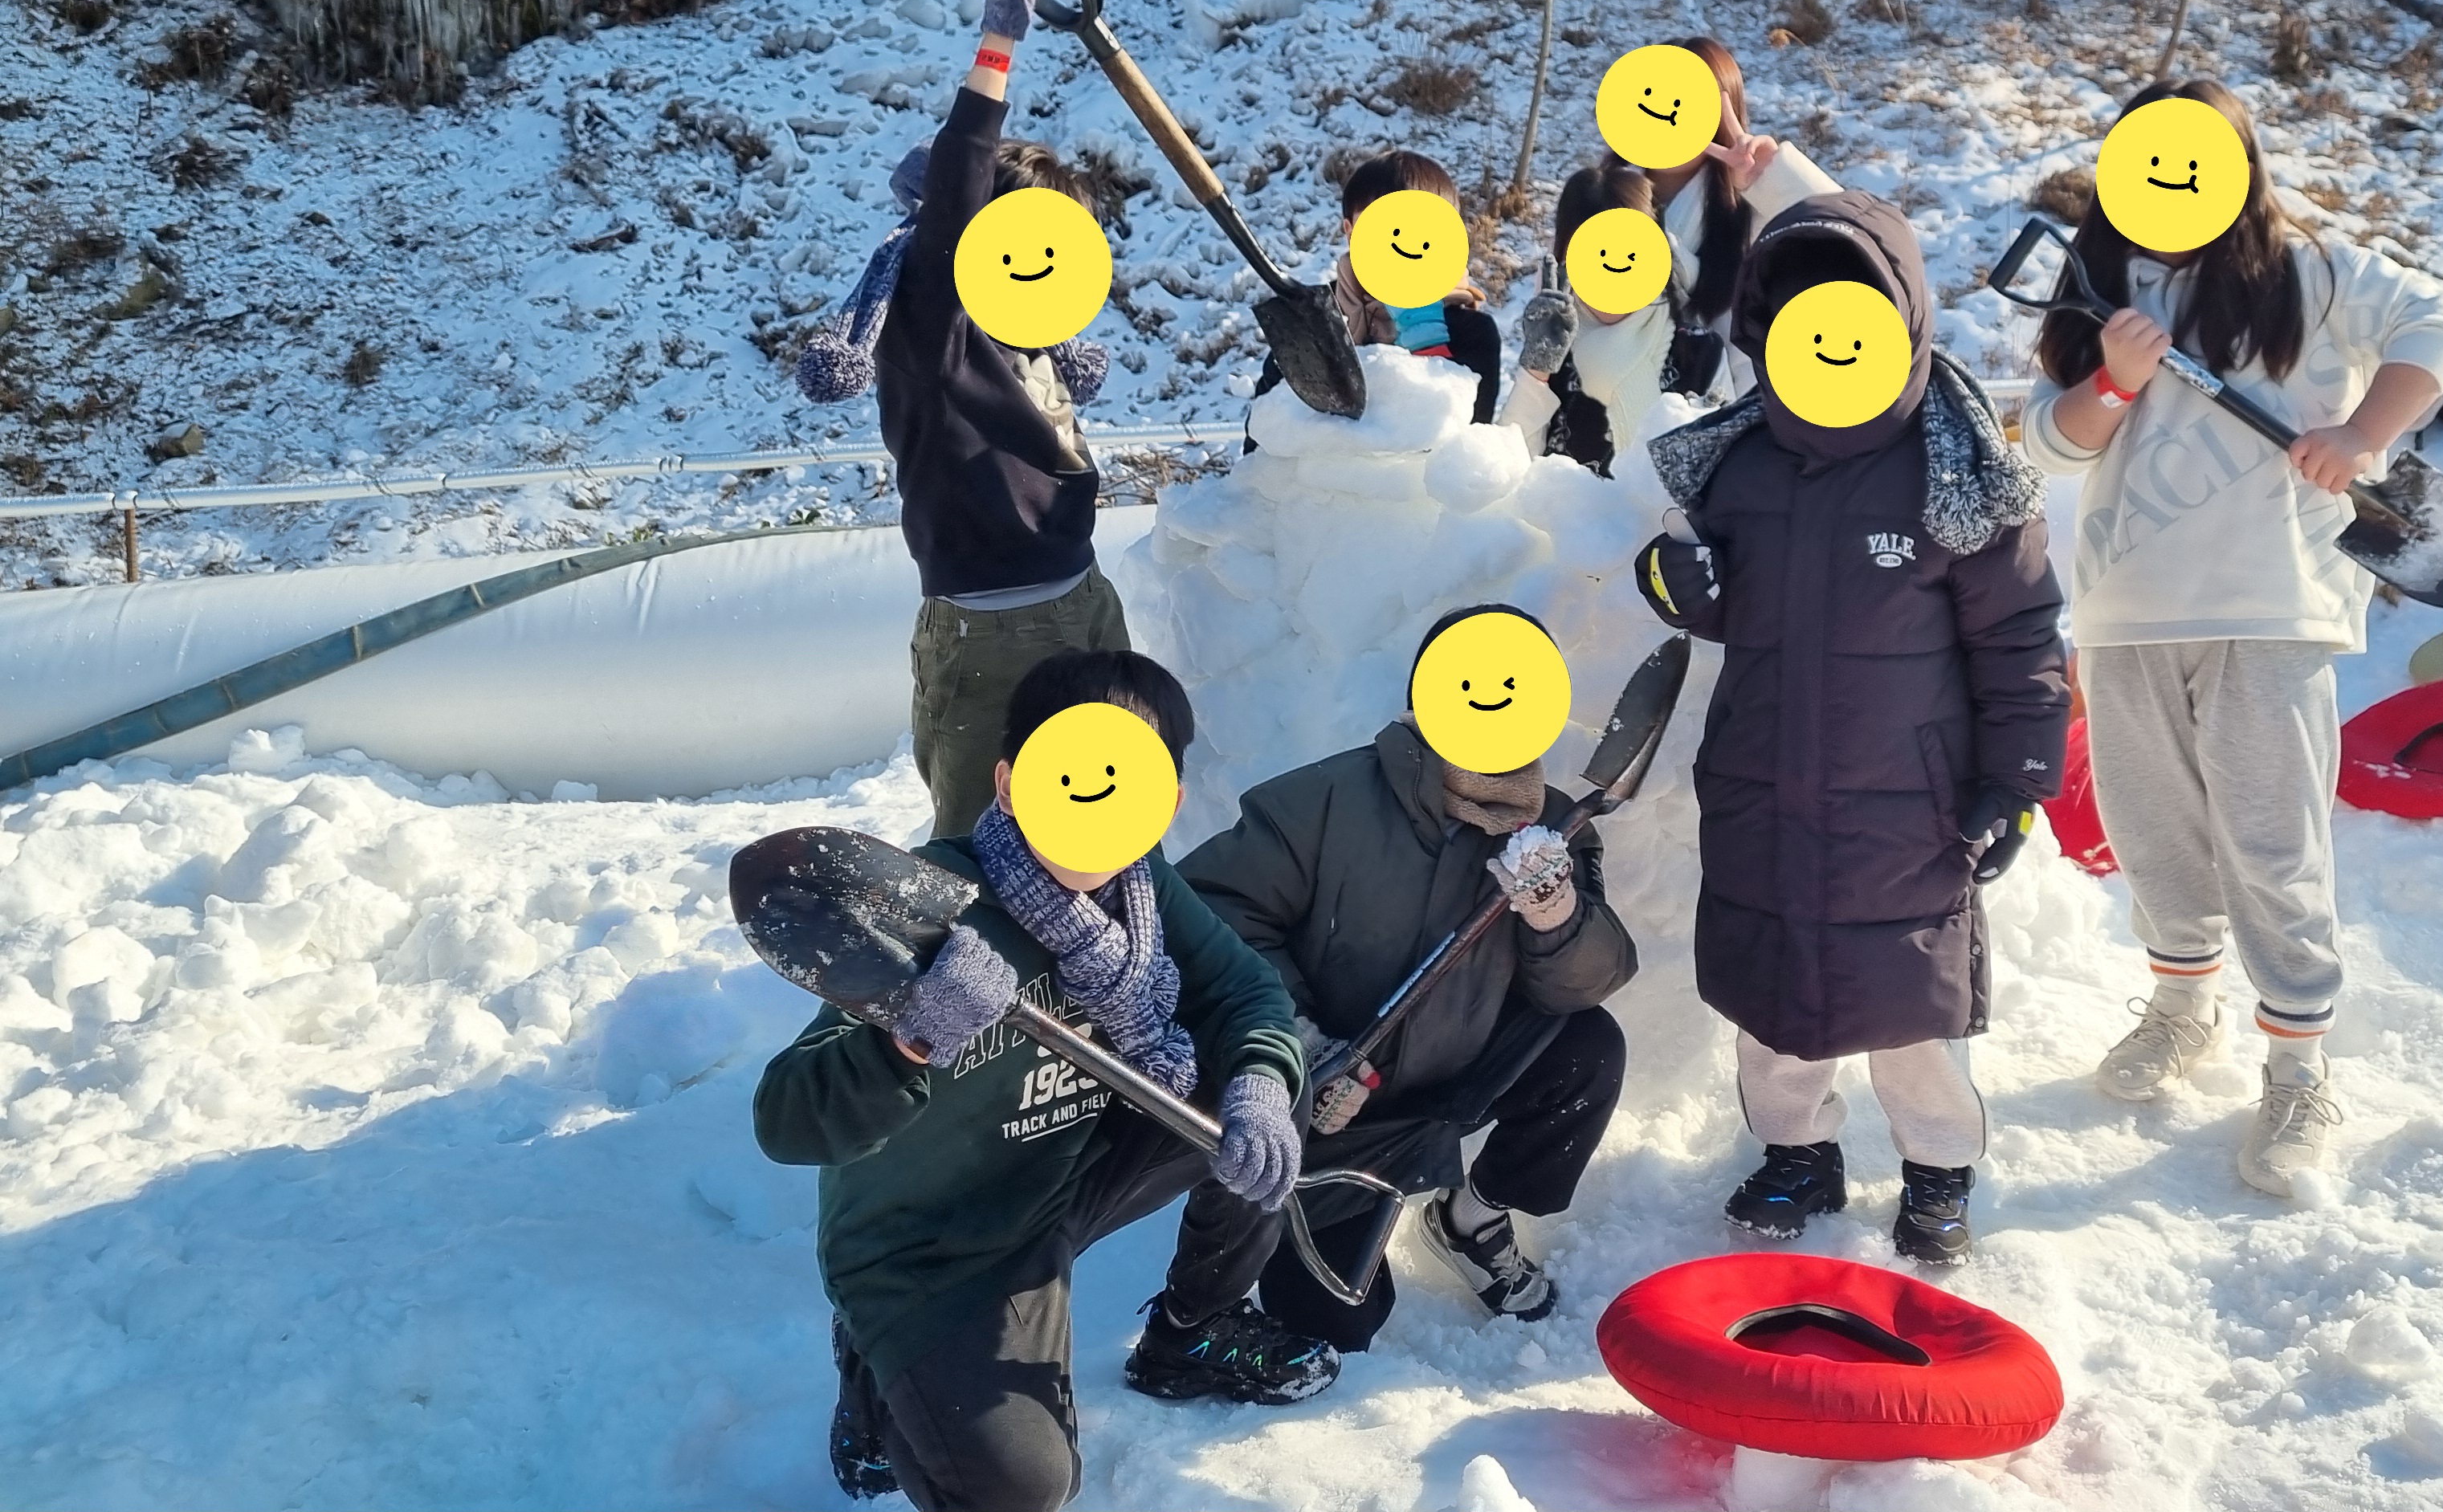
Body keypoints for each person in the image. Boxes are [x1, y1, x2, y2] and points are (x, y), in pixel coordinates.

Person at [2017, 77, 2443, 1196]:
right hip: (2127, 609)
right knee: (2153, 831)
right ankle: (2183, 1008)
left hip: (2273, 604)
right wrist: (2114, 383)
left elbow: (2438, 321)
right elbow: (2052, 442)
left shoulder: (2309, 274)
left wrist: (2361, 431)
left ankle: (2299, 1069)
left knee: (2273, 843)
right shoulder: (2095, 281)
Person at [753, 650, 1334, 1512]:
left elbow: (1245, 993)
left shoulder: (1142, 890)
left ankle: (1192, 1329)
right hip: (928, 1244)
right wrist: (907, 1038)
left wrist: (1258, 1086)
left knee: (1272, 1092)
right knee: (1023, 1488)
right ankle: (878, 1365)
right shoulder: (930, 905)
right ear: (1009, 781)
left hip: (1061, 1179)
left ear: (1166, 800)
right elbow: (786, 1120)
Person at [1638, 194, 2067, 1265]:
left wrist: (2017, 782)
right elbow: (1724, 602)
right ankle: (1797, 1153)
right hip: (1763, 781)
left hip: (1911, 804)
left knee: (1915, 1008)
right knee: (1775, 1004)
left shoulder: (1958, 472)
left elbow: (2019, 636)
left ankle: (1939, 1171)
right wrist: (1677, 583)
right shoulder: (1739, 463)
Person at [1173, 622, 1639, 1351]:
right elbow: (1207, 918)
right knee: (1333, 1323)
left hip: (1458, 1069)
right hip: (1336, 1104)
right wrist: (1300, 1045)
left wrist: (1558, 916)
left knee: (1588, 1049)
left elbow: (1579, 989)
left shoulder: (1556, 830)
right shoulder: (1321, 802)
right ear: (1426, 695)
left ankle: (1470, 1219)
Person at [876, 0, 1129, 842]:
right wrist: (998, 42)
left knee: (1106, 829)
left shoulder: (1028, 334)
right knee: (987, 849)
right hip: (995, 632)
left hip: (1084, 598)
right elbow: (954, 207)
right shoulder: (932, 329)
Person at [1502, 158, 1725, 476]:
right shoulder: (1553, 341)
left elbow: (1724, 474)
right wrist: (1535, 373)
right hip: (1558, 507)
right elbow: (1507, 467)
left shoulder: (1700, 354)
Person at [1254, 149, 1502, 422]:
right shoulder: (1314, 324)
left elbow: (1467, 434)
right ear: (1350, 232)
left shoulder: (1471, 332)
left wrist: (1427, 338)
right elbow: (1264, 430)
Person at [1643, 36, 1838, 372]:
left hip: (1735, 398)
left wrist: (1775, 176)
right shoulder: (1601, 198)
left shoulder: (1757, 210)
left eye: (1687, 105)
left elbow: (1847, 234)